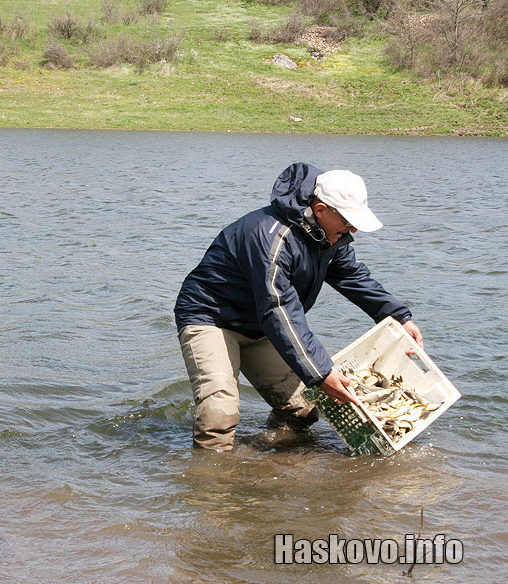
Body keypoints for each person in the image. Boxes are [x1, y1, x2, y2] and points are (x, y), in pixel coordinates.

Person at [174, 162, 423, 451]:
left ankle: (277, 459)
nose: (352, 228)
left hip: (260, 324)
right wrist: (322, 374)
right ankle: (213, 487)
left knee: (303, 409)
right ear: (320, 210)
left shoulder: (331, 237)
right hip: (211, 317)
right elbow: (278, 309)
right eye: (347, 220)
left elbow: (353, 277)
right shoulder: (271, 238)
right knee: (219, 413)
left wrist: (398, 316)